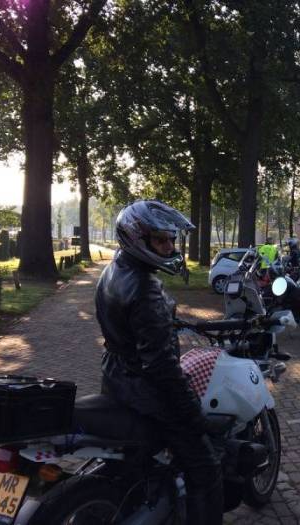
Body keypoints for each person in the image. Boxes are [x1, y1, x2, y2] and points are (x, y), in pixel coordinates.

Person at [95, 200, 223, 524]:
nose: (169, 247)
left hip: (115, 378)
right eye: (160, 240)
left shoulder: (114, 269)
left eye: (171, 239)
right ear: (137, 238)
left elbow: (132, 327)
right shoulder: (145, 288)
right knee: (206, 469)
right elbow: (162, 368)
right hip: (145, 390)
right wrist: (194, 414)